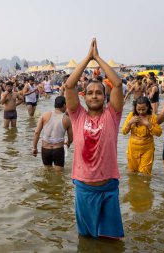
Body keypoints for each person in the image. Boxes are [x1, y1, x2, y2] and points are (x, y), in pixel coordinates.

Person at [64, 38, 124, 238]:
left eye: (99, 92)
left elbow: (117, 84)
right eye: (90, 93)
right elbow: (69, 85)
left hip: (108, 187)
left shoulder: (112, 114)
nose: (95, 96)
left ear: (104, 96)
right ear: (84, 97)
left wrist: (98, 58)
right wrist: (87, 58)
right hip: (84, 188)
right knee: (87, 238)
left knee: (111, 239)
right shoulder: (77, 115)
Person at [122, 96, 162, 175]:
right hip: (132, 149)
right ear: (135, 107)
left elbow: (159, 133)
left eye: (143, 109)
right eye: (138, 109)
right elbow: (124, 132)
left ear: (148, 107)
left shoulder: (152, 116)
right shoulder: (131, 115)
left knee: (145, 174)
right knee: (132, 173)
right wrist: (130, 122)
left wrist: (148, 124)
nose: (141, 112)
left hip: (147, 149)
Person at [32, 96, 73, 170]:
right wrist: (68, 143)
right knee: (58, 176)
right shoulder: (67, 119)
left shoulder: (44, 115)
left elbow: (37, 132)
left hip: (45, 149)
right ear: (64, 105)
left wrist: (34, 148)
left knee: (47, 173)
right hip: (58, 150)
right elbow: (71, 138)